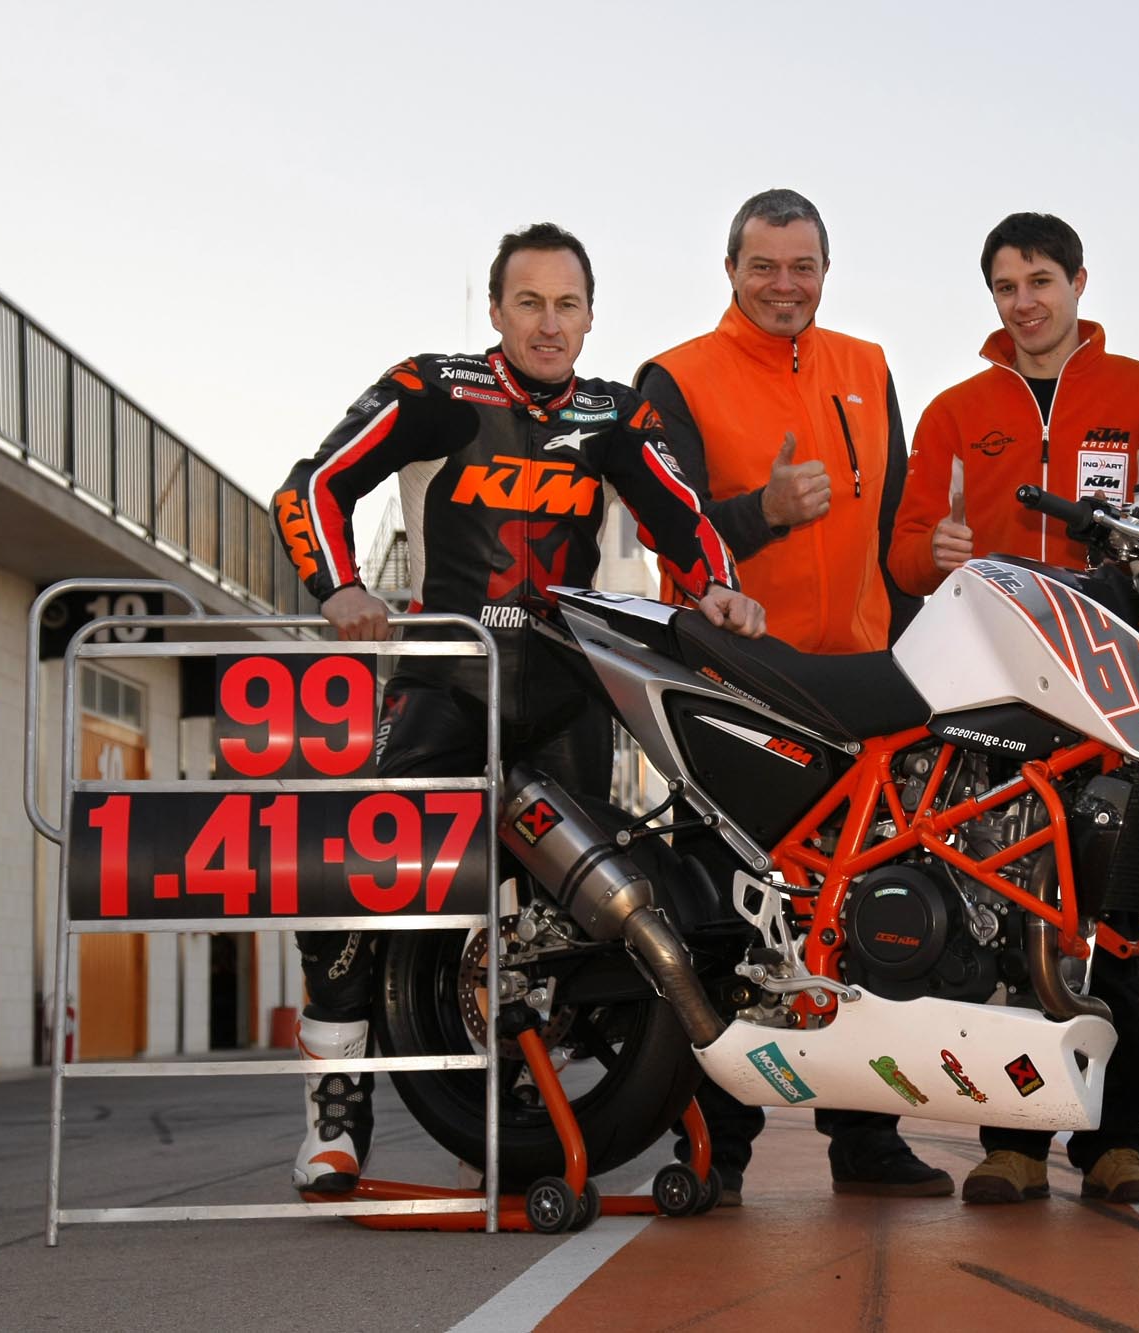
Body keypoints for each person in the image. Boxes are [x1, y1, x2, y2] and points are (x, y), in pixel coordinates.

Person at [271, 222, 764, 1195]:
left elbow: (684, 516)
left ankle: (543, 1105)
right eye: (528, 302)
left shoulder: (615, 411)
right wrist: (337, 586)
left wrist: (717, 586)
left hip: (565, 697)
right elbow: (314, 484)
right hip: (444, 688)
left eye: (566, 304)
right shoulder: (433, 387)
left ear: (591, 317)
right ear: (496, 310)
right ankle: (336, 1117)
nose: (548, 323)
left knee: (588, 920)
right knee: (352, 885)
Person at [637, 188, 948, 1204]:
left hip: (863, 695)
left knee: (868, 925)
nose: (784, 285)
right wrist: (760, 513)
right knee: (723, 927)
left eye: (802, 266)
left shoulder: (867, 365)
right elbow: (670, 534)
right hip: (735, 690)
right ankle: (712, 1150)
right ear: (730, 269)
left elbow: (894, 527)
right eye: (763, 266)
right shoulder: (675, 378)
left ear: (825, 270)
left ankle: (866, 1142)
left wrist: (921, 621)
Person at [889, 212, 1139, 1207]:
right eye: (1005, 286)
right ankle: (1014, 1144)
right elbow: (903, 552)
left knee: (1111, 922)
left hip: (1115, 694)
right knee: (1011, 921)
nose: (1023, 303)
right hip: (997, 698)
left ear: (1077, 283)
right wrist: (930, 554)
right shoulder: (954, 411)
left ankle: (1115, 1143)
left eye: (1039, 282)